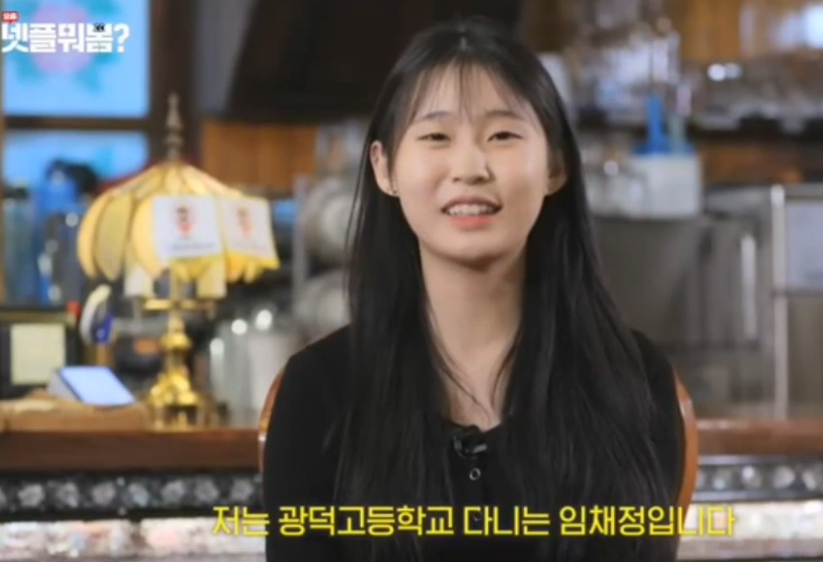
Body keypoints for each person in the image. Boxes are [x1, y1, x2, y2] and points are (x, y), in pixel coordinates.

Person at [263, 17, 684, 562]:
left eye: (502, 135)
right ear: (384, 169)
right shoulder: (319, 391)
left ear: (555, 165)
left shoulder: (633, 383)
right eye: (436, 137)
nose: (469, 167)